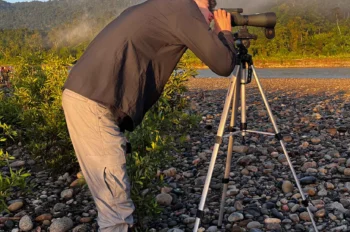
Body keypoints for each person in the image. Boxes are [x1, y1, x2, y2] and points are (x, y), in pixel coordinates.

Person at [61, 0, 236, 231]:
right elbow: (223, 64)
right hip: (93, 103)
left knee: (113, 192)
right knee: (115, 202)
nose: (210, 17)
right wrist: (224, 33)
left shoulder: (162, 6)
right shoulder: (183, 7)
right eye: (209, 9)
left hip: (91, 97)